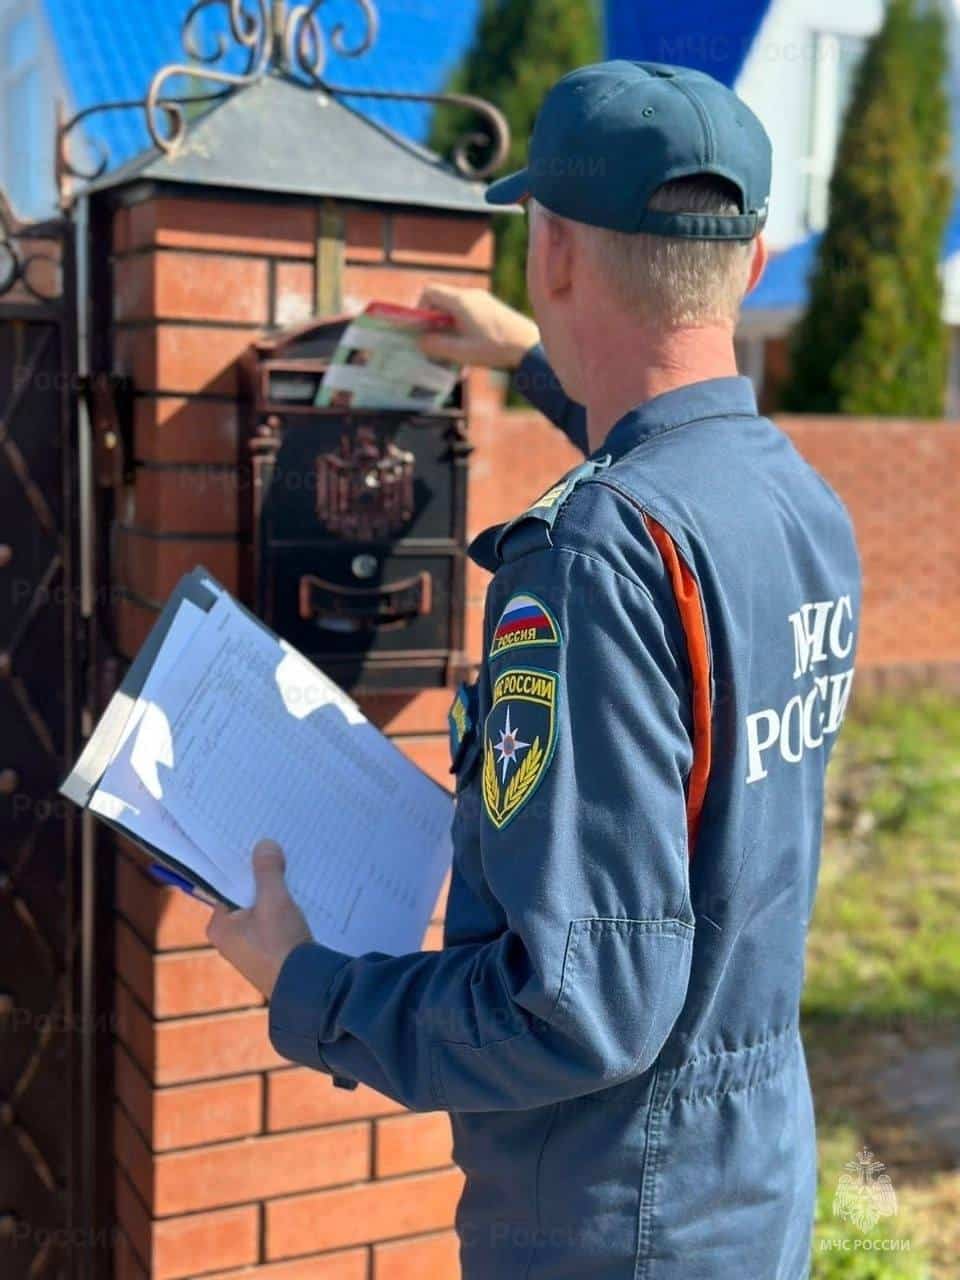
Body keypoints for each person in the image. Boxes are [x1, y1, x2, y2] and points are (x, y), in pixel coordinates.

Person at [208, 61, 862, 1279]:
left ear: (551, 251)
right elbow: (681, 461)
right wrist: (526, 357)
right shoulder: (795, 501)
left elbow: (576, 1005)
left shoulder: (590, 563)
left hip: (611, 1215)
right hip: (749, 1170)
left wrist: (306, 984)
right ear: (755, 261)